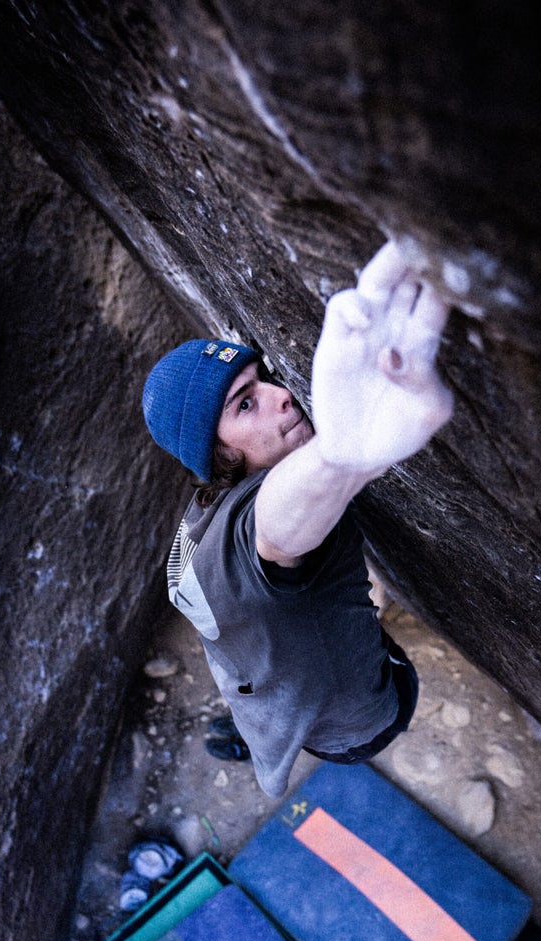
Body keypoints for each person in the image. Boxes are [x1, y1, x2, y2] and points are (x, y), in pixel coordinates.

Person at [142, 241, 453, 797]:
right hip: (359, 725)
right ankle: (288, 732)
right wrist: (339, 455)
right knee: (379, 673)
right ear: (218, 456)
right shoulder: (254, 534)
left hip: (261, 688)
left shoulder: (200, 520)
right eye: (245, 404)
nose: (283, 396)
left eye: (262, 380)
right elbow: (273, 533)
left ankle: (264, 734)